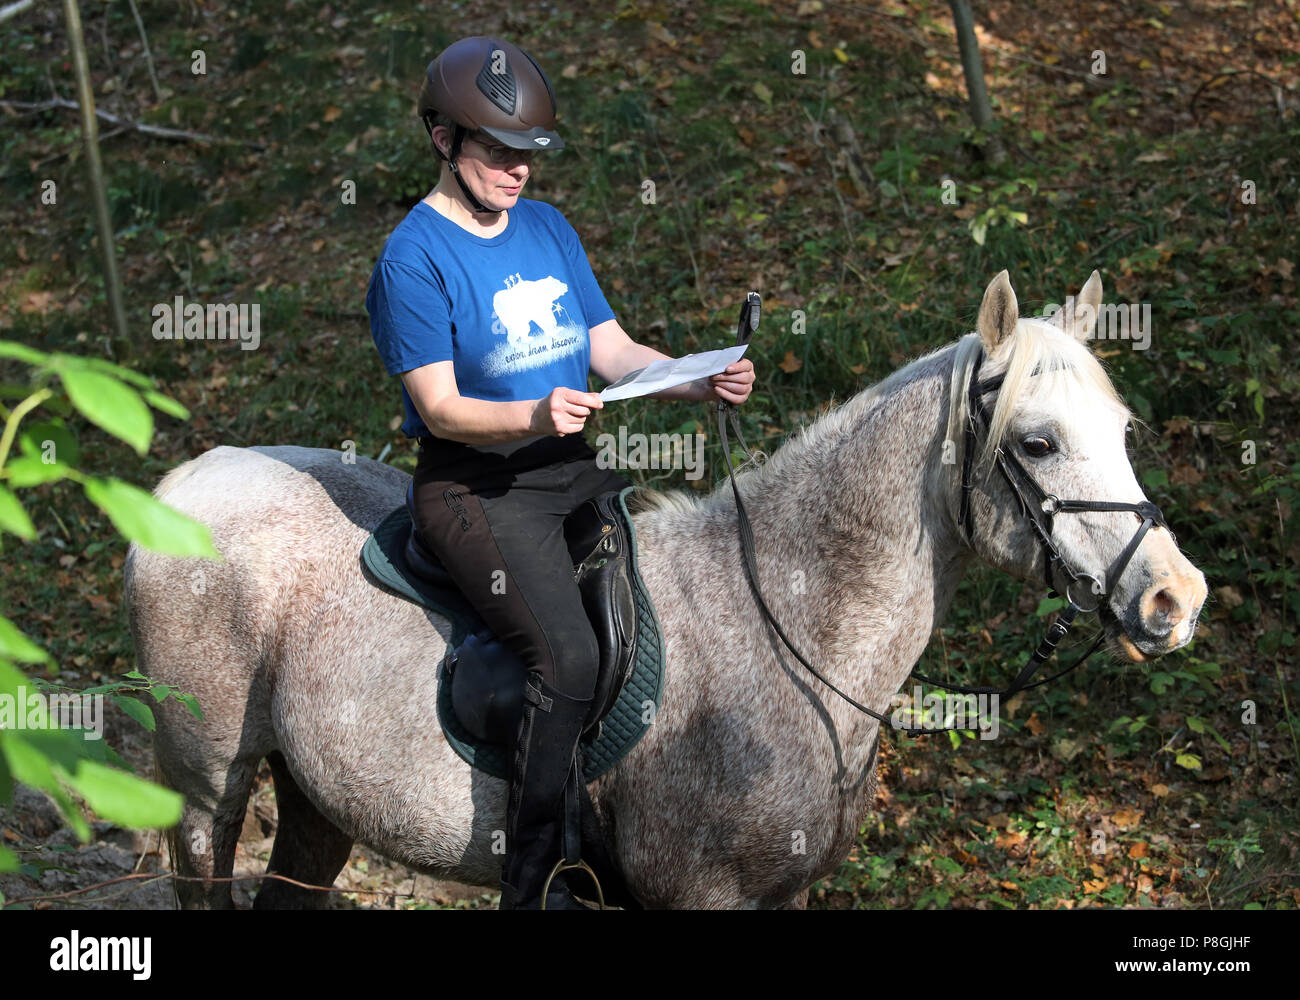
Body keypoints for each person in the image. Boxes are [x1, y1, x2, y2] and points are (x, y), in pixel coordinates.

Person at [365, 35, 755, 909]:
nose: (517, 171)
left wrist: (701, 376)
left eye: (529, 155)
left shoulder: (546, 229)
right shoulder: (412, 258)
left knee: (667, 609)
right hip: (476, 491)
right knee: (567, 656)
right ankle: (540, 881)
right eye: (499, 151)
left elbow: (610, 350)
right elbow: (436, 407)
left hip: (570, 470)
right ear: (443, 140)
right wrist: (533, 414)